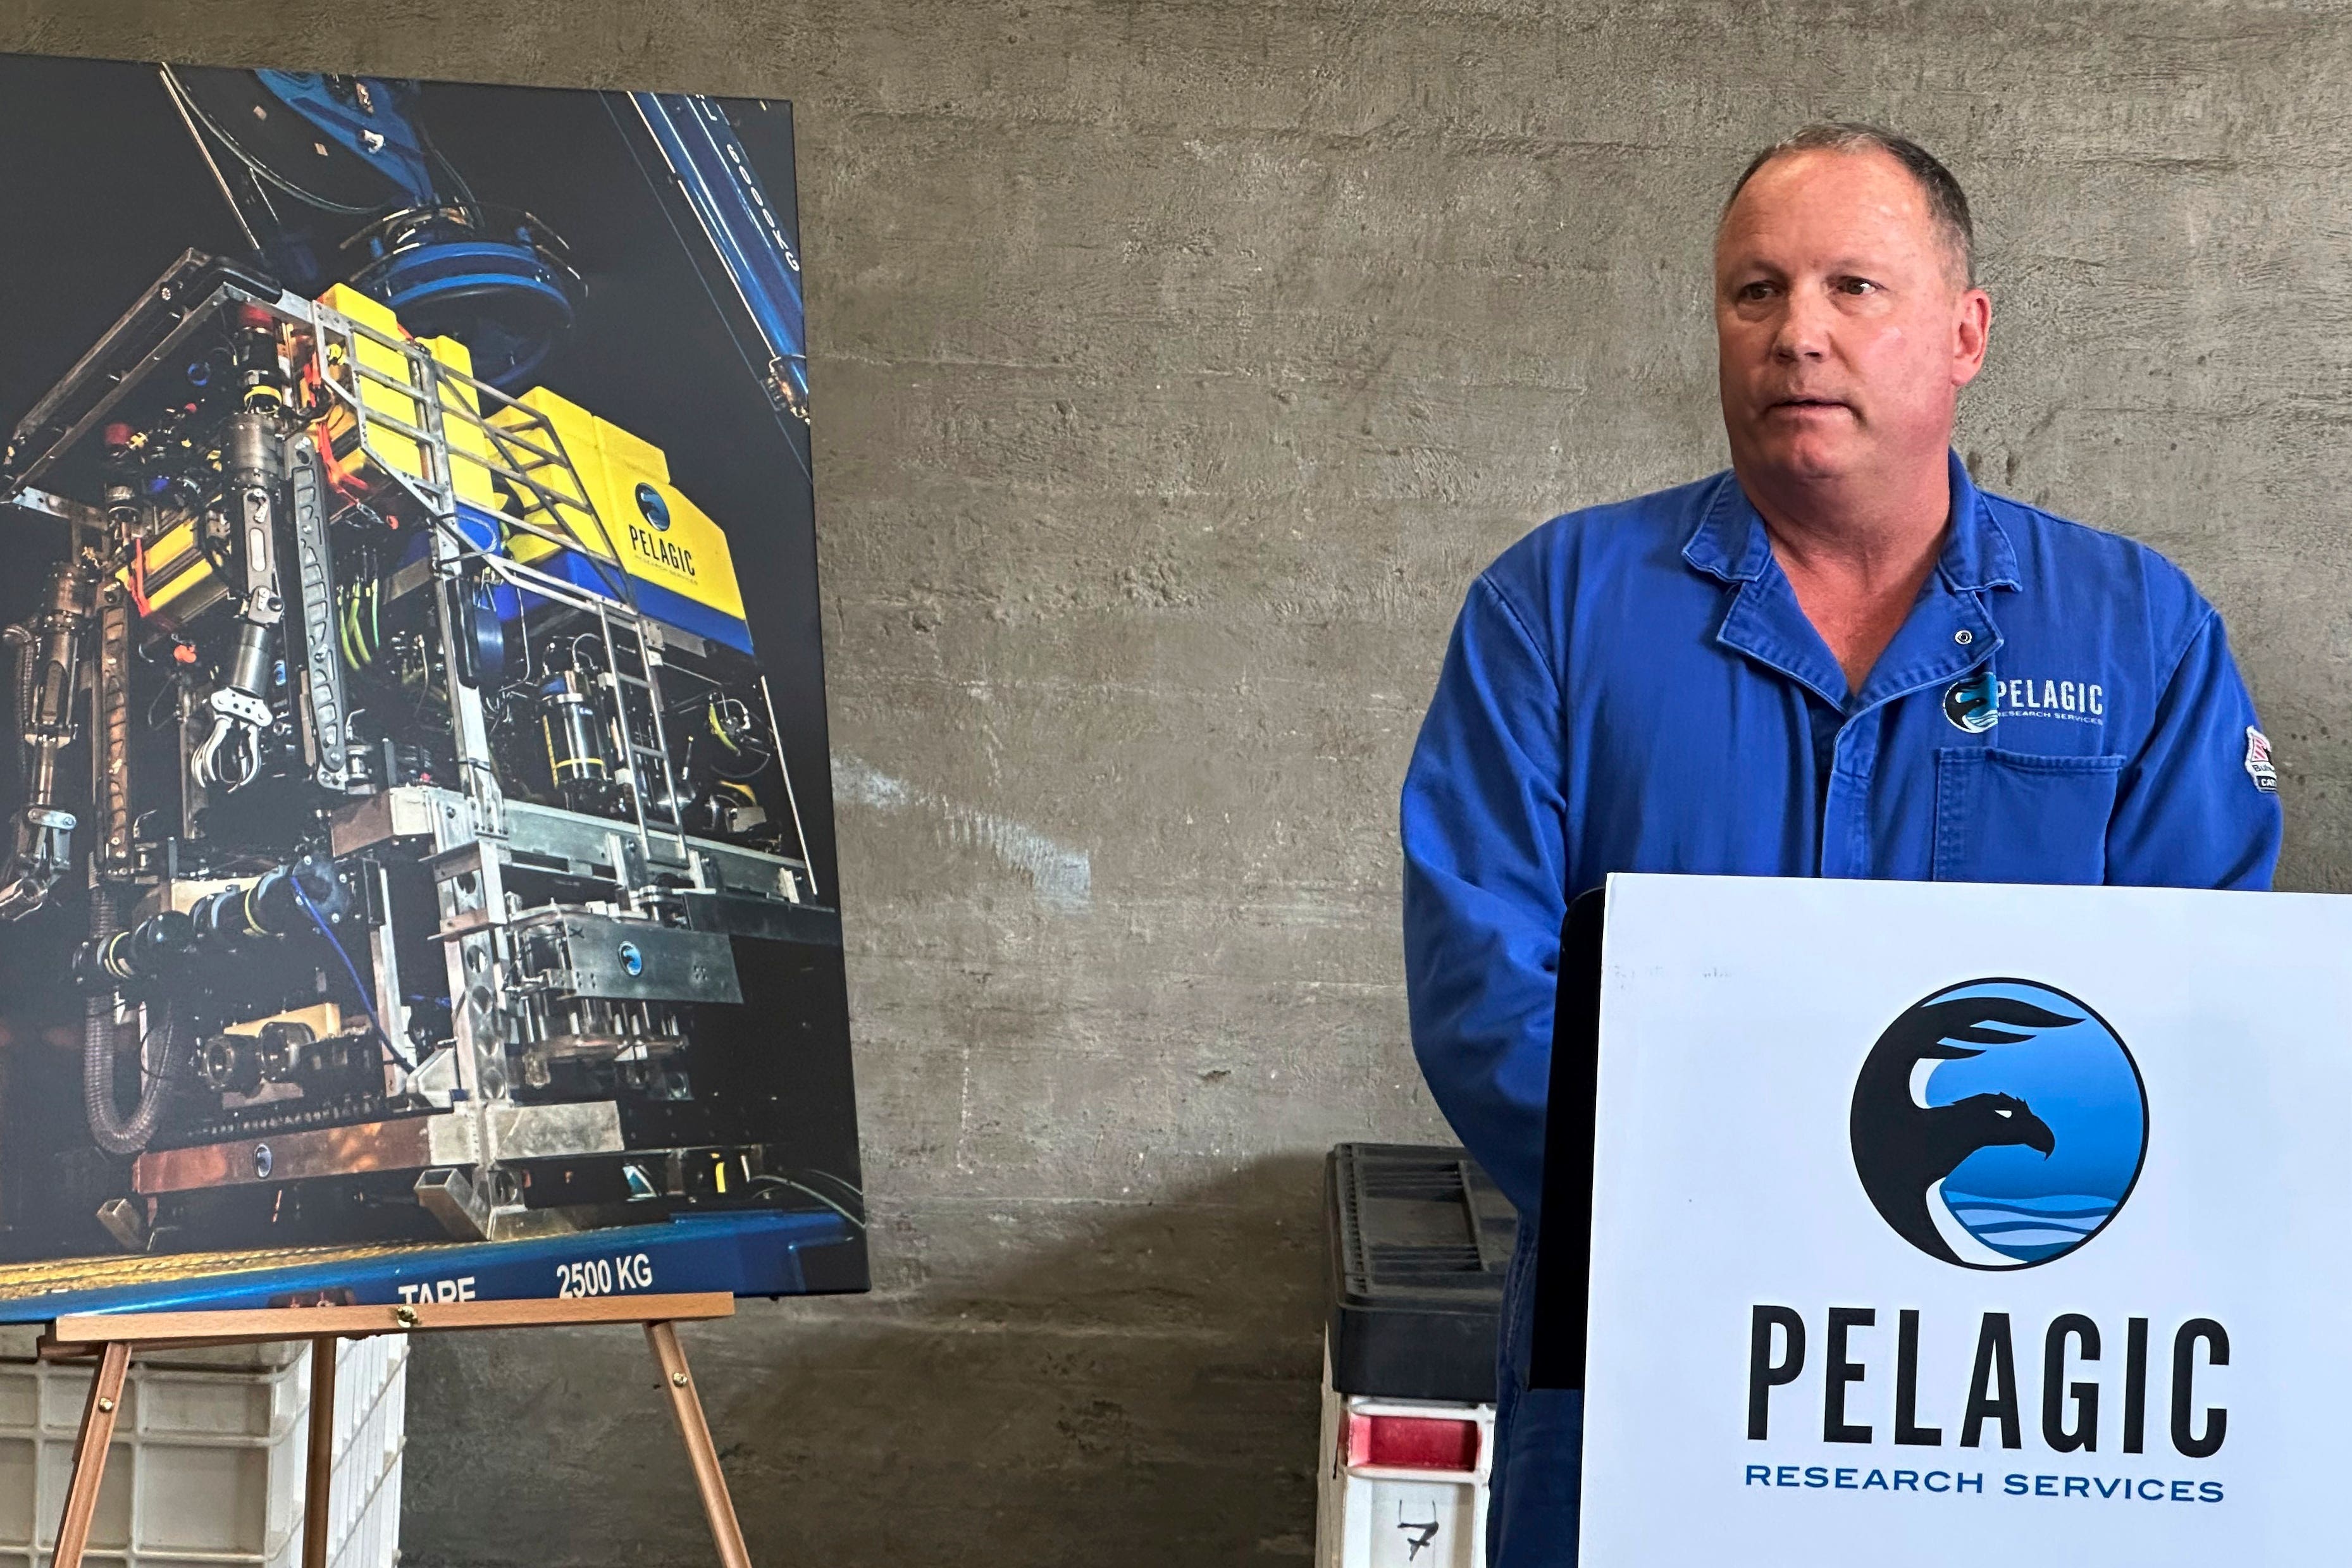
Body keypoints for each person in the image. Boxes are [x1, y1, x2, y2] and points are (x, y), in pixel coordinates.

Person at [1398, 122, 2282, 1566]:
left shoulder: (2139, 634)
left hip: (2000, 1390)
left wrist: (1928, 1256)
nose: (1795, 334)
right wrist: (1742, 1226)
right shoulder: (1553, 612)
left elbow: (2201, 1008)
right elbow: (1481, 988)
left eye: (1850, 288)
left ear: (1964, 332)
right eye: (1754, 293)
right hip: (1646, 1359)